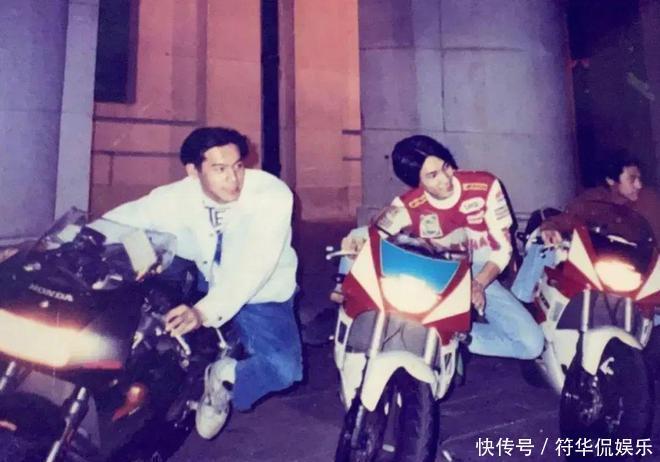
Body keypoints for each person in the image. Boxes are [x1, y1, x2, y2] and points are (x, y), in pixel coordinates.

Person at [103, 126, 302, 439]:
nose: (234, 179)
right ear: (193, 172)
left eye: (238, 166)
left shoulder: (271, 195)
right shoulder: (174, 197)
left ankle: (224, 376)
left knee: (284, 370)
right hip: (203, 273)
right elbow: (115, 222)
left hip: (260, 290)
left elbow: (254, 267)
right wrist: (54, 244)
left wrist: (203, 312)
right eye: (220, 169)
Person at [343, 135, 544, 360]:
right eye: (432, 176)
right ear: (416, 181)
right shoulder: (407, 204)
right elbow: (372, 237)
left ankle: (452, 339)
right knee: (355, 236)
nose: (446, 179)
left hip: (478, 270)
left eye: (446, 167)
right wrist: (355, 246)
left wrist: (478, 285)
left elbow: (503, 248)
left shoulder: (485, 186)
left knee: (531, 345)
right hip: (431, 270)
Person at [511, 152, 660, 303]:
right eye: (632, 179)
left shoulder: (649, 200)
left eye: (639, 178)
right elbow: (570, 217)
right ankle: (522, 300)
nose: (639, 185)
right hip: (602, 261)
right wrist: (551, 226)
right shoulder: (594, 199)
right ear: (610, 180)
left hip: (637, 264)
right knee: (546, 248)